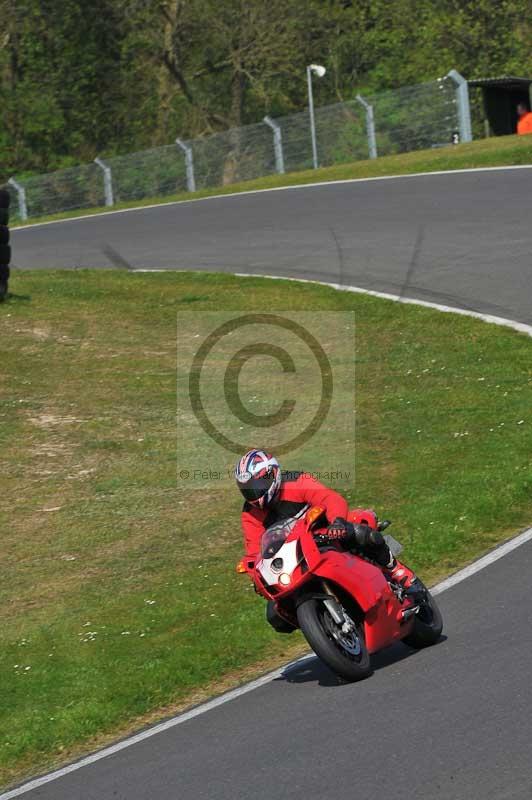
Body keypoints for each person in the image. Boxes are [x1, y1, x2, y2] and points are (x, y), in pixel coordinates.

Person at [235, 449, 416, 588]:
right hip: (297, 557)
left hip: (328, 531)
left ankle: (395, 569)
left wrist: (337, 522)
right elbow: (254, 552)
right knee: (275, 615)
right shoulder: (250, 513)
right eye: (248, 489)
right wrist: (256, 575)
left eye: (256, 486)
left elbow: (330, 498)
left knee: (361, 533)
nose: (253, 493)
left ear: (271, 474)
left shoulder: (295, 481)